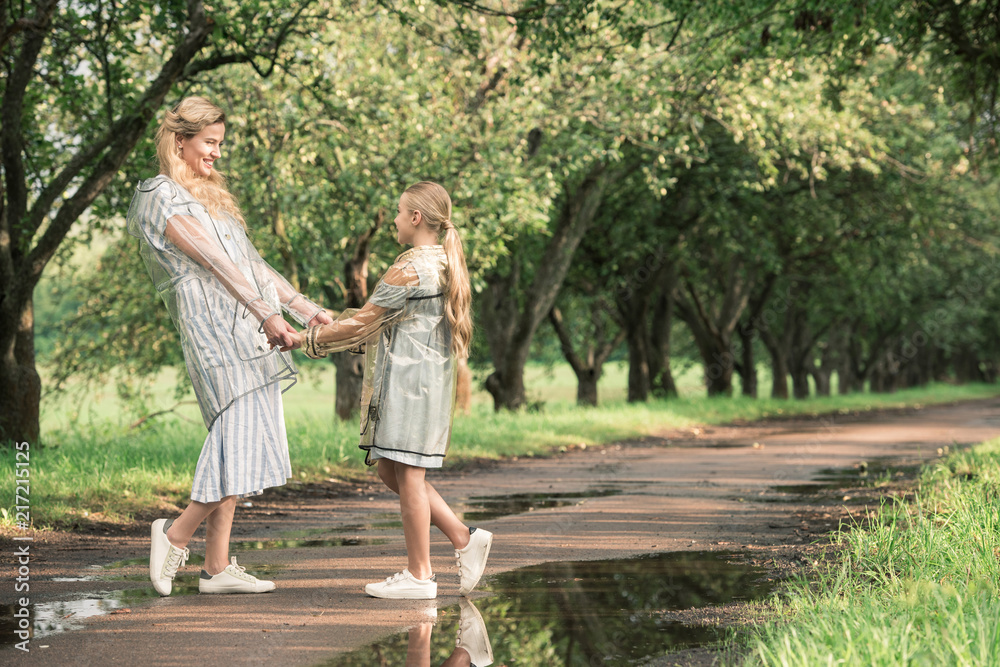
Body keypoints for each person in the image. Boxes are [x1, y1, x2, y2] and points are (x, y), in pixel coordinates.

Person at [127, 97, 332, 596]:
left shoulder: (213, 198)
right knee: (234, 428)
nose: (217, 153)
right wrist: (267, 315)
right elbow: (215, 263)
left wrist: (307, 311)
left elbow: (253, 266)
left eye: (221, 143)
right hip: (215, 329)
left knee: (239, 437)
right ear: (180, 141)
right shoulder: (159, 195)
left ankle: (216, 566)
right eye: (210, 143)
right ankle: (175, 534)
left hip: (251, 327)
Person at [292, 182, 492, 599]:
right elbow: (371, 319)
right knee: (390, 470)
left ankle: (420, 575)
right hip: (424, 386)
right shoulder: (439, 262)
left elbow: (363, 323)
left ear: (416, 218)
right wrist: (331, 325)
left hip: (409, 388)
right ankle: (462, 536)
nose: (395, 220)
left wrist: (303, 339)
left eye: (400, 212)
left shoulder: (411, 267)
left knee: (409, 476)